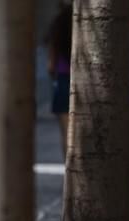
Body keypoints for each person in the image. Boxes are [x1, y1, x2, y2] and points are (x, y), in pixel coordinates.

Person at [46, 2, 72, 158]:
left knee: (66, 133)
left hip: (63, 80)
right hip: (86, 80)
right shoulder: (85, 25)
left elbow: (50, 65)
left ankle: (69, 173)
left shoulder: (57, 25)